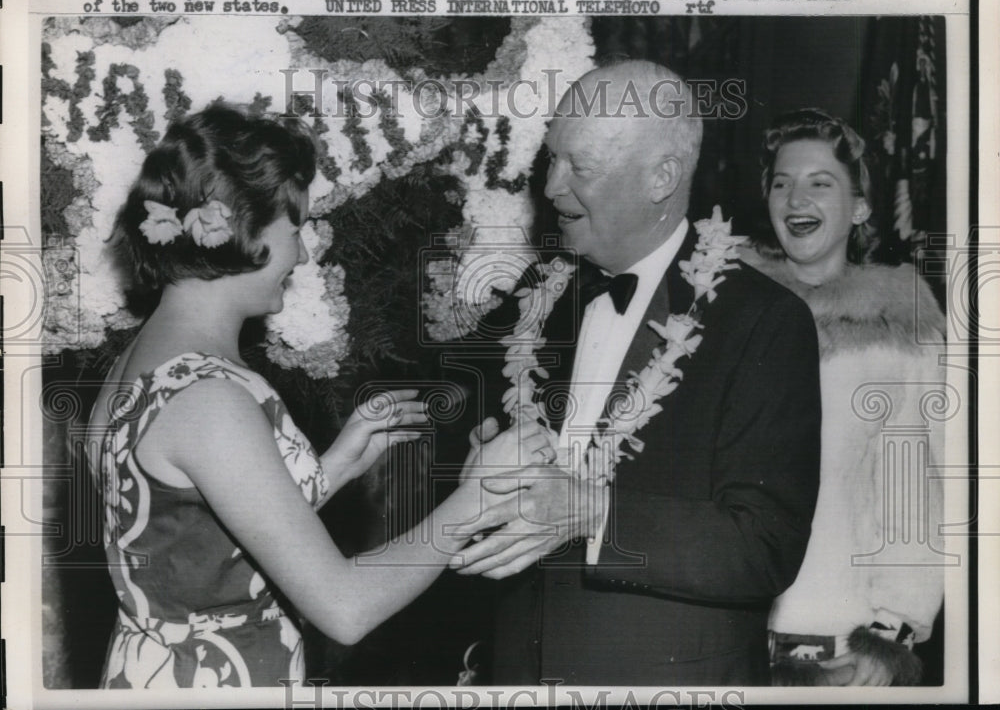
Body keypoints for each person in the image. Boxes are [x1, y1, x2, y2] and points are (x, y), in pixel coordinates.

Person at [86, 105, 547, 688]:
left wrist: (334, 468)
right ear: (242, 228)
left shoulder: (140, 363)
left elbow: (191, 541)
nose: (302, 256)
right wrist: (474, 501)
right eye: (295, 228)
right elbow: (344, 608)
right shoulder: (208, 397)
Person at [448, 61, 823, 685]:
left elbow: (764, 546)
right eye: (552, 159)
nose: (551, 187)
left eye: (581, 168)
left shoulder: (763, 321)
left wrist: (595, 514)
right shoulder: (533, 295)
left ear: (663, 177)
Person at [744, 108, 946, 686]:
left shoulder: (898, 325)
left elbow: (912, 492)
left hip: (835, 642)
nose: (795, 198)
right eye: (781, 183)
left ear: (859, 207)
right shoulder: (724, 305)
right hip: (714, 633)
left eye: (820, 183)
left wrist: (891, 633)